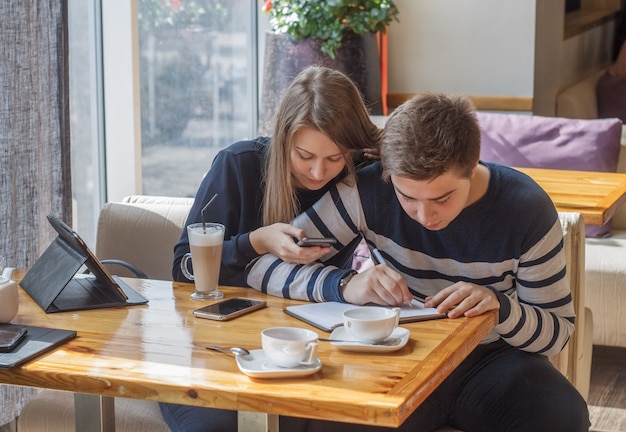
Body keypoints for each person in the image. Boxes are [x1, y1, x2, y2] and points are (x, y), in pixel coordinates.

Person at [246, 93, 590, 431]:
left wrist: (499, 308)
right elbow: (262, 267)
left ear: (472, 168)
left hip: (491, 361)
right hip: (398, 356)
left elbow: (556, 335)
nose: (425, 215)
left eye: (442, 198)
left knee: (563, 415)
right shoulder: (365, 190)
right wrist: (345, 285)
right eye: (407, 197)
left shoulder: (526, 208)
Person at [162, 65, 382, 431]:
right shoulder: (238, 166)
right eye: (305, 156)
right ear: (283, 138)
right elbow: (183, 267)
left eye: (334, 157)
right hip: (222, 343)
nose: (317, 173)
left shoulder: (357, 175)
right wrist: (255, 242)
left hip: (307, 344)